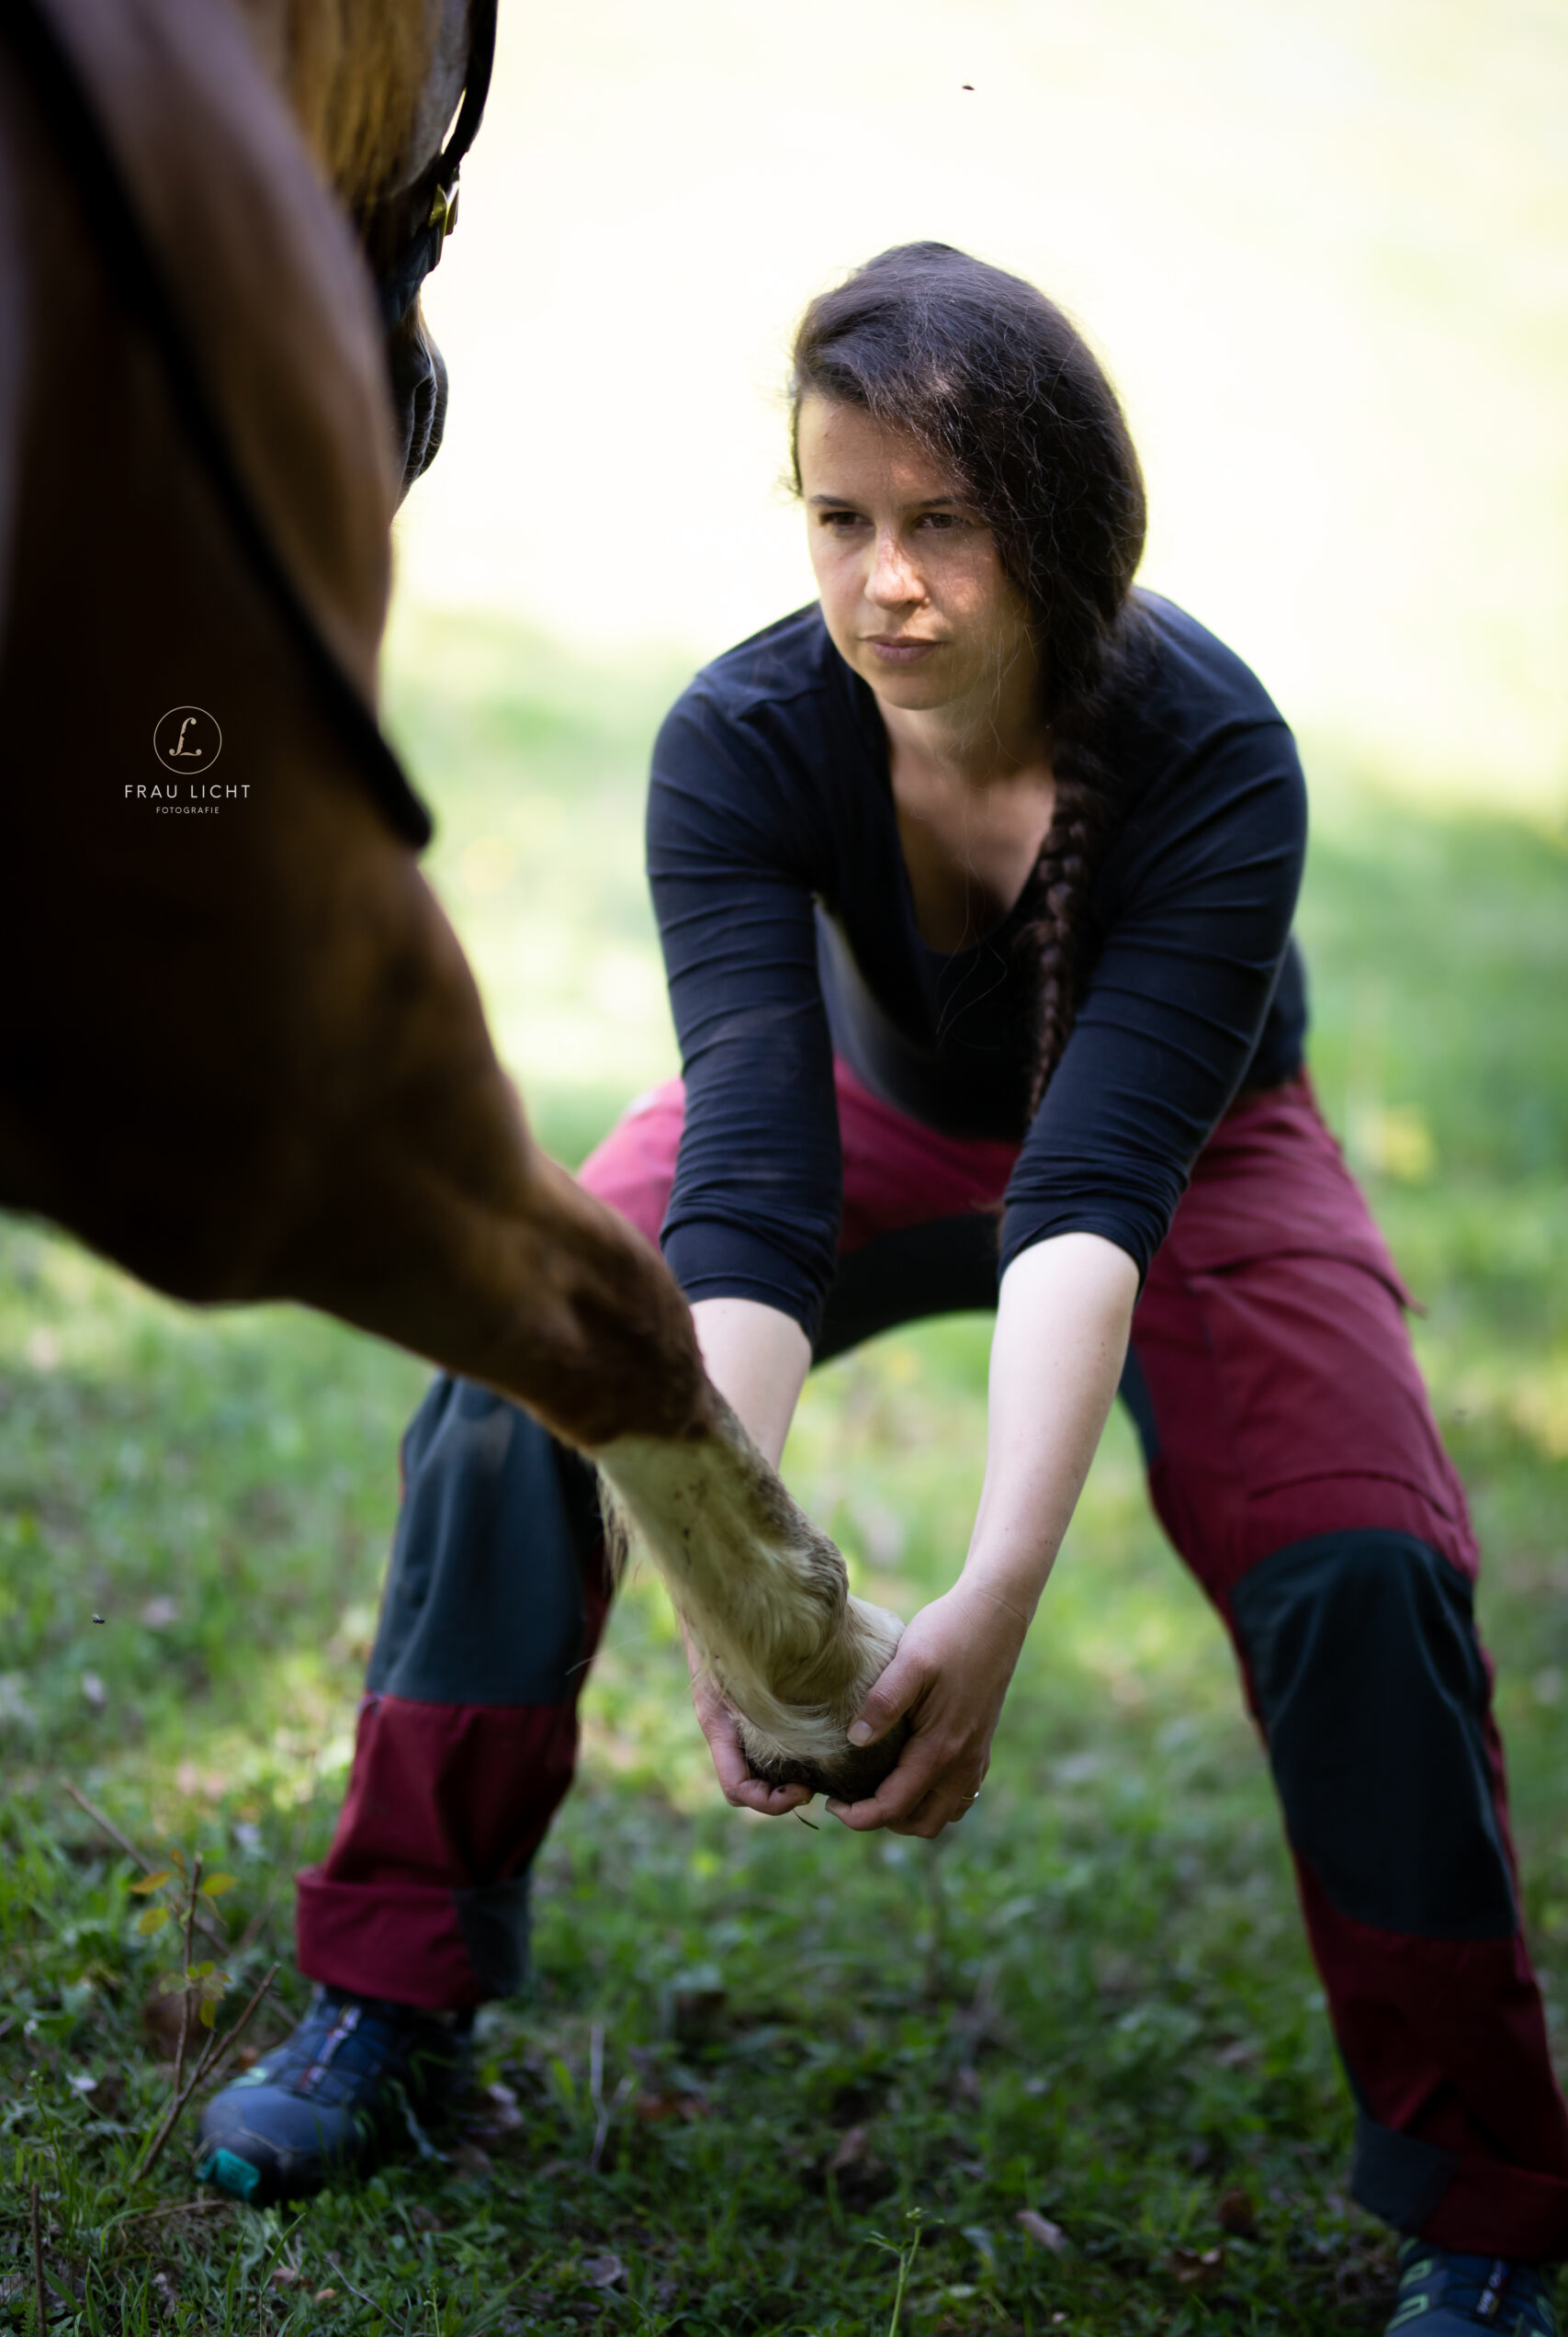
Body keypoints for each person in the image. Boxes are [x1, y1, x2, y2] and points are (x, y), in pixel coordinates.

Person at [199, 244, 1565, 2333]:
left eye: (945, 523)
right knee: (517, 1375)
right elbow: (744, 1186)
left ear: (1063, 525)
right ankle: (386, 2000)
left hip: (1192, 1147)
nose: (884, 583)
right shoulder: (741, 737)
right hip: (851, 1110)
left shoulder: (1211, 752)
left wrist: (992, 1596)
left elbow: (1095, 1187)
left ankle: (1484, 2189)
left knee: (1359, 1562)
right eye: (839, 518)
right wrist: (730, 1593)